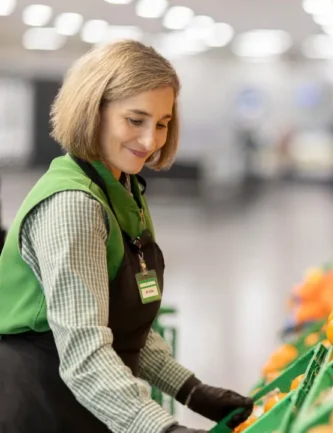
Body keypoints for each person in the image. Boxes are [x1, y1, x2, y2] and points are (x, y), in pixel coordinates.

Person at [0, 41, 253, 433]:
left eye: (162, 123)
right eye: (135, 120)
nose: (151, 140)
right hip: (40, 408)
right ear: (93, 112)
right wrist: (163, 429)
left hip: (90, 406)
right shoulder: (74, 205)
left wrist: (192, 390)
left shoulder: (123, 190)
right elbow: (84, 354)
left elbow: (124, 326)